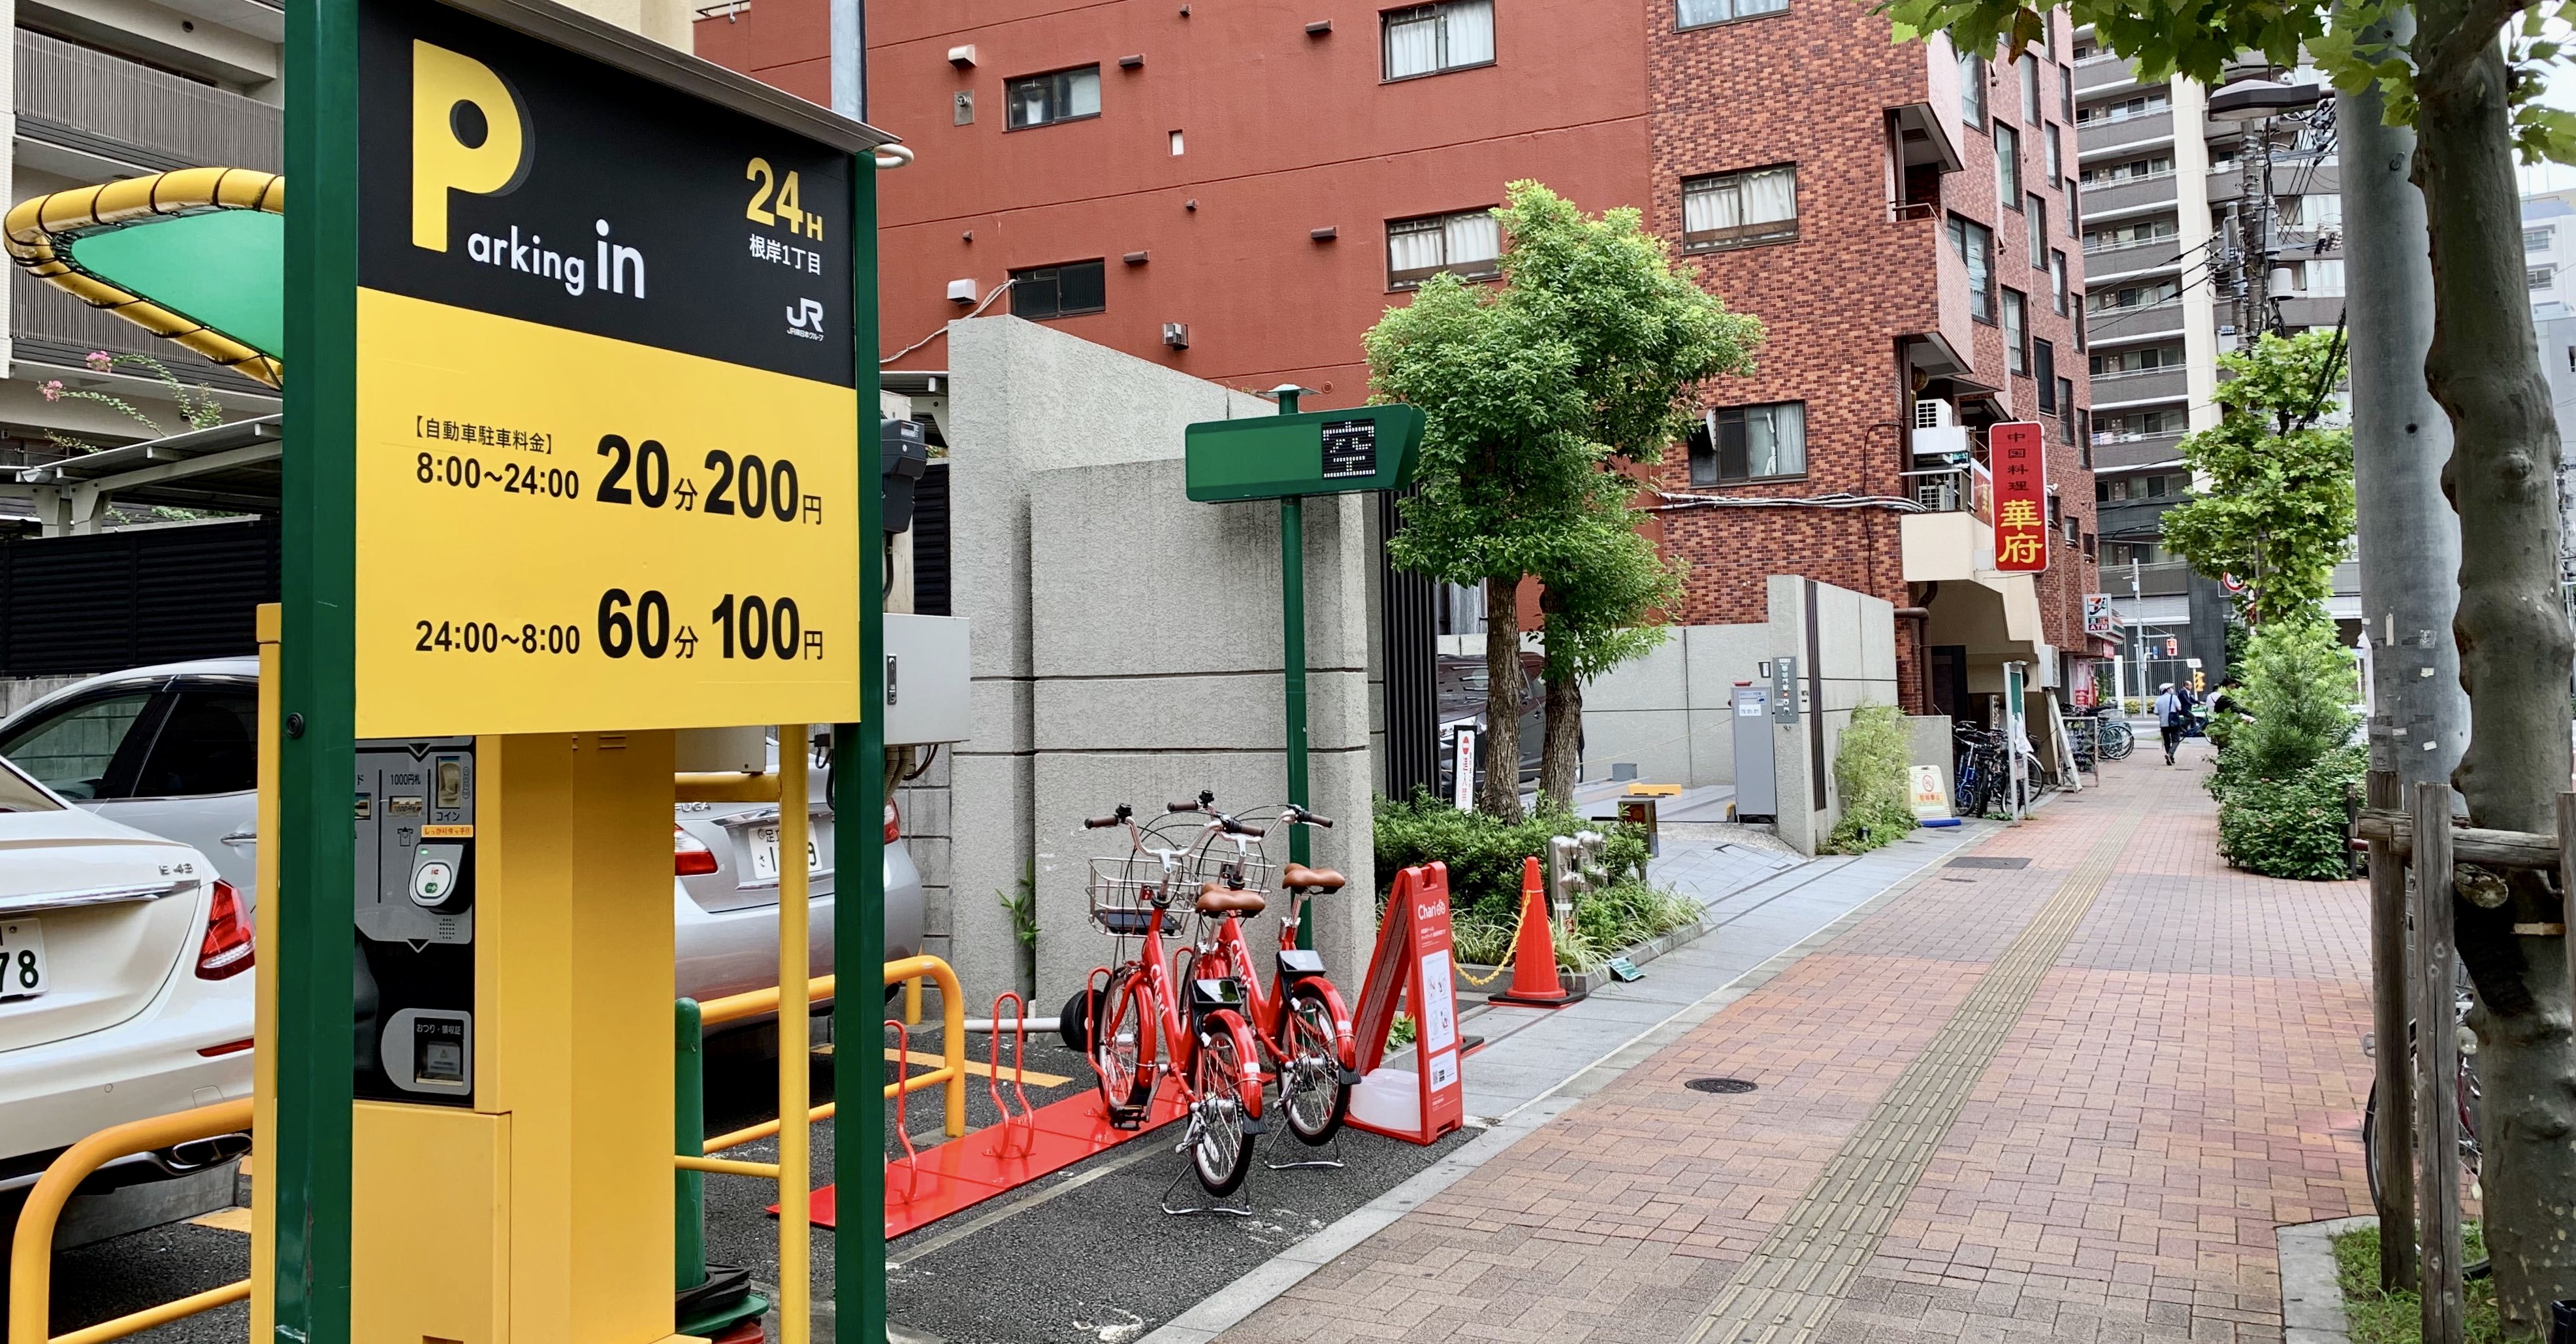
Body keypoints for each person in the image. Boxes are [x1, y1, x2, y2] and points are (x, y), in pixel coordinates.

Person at [2154, 682, 2193, 766]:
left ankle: (2170, 759)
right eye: (2171, 688)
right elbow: (2179, 708)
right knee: (2176, 740)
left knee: (2167, 741)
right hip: (2174, 723)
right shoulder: (2174, 697)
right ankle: (2170, 754)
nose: (2172, 689)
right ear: (2168, 690)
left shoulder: (2158, 699)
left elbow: (2156, 712)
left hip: (2163, 724)